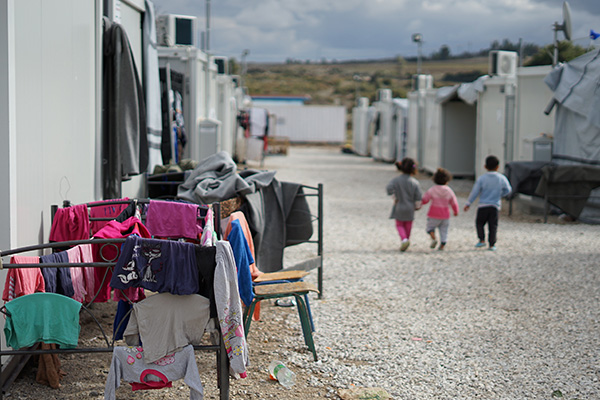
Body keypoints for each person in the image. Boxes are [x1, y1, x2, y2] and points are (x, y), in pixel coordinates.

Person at [464, 155, 512, 251]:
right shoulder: (501, 178)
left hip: (483, 205)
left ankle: (481, 240)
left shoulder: (482, 178)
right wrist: (501, 195)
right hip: (495, 205)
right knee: (493, 225)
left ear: (485, 166)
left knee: (479, 223)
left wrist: (468, 203)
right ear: (498, 167)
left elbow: (475, 192)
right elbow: (508, 190)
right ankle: (492, 244)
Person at [386, 157, 422, 251]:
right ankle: (407, 239)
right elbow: (418, 196)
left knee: (399, 224)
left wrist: (394, 195)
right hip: (410, 207)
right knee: (408, 224)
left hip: (399, 205)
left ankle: (404, 239)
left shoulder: (396, 180)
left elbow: (389, 188)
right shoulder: (414, 182)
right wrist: (417, 204)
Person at [421, 168, 459, 251]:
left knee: (430, 227)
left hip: (433, 214)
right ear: (447, 180)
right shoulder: (449, 191)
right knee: (444, 230)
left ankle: (433, 237)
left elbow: (425, 199)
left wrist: (421, 203)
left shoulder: (432, 189)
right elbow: (454, 201)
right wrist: (455, 211)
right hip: (445, 215)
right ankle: (443, 243)